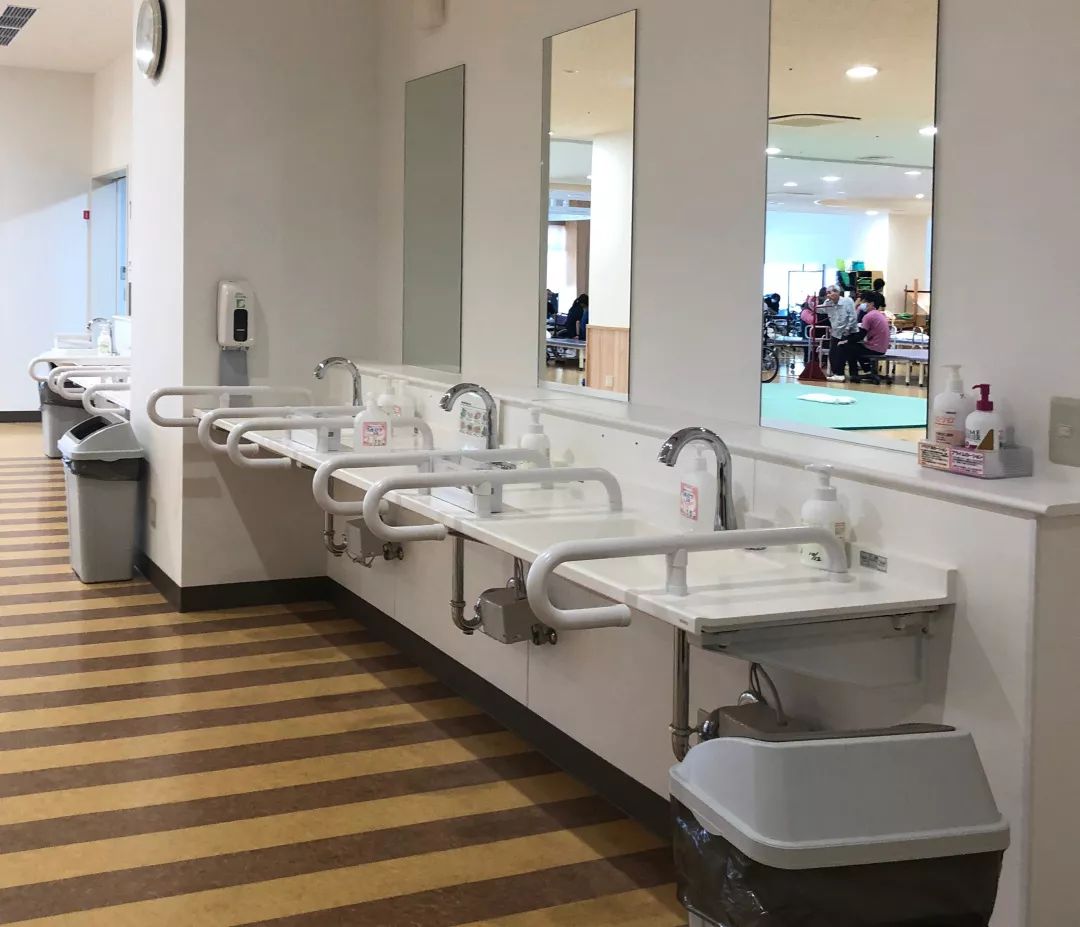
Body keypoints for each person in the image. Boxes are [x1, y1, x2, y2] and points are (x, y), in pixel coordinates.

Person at [843, 299, 891, 384]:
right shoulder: (879, 314)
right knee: (857, 346)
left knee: (849, 347)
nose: (862, 304)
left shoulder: (868, 316)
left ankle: (854, 375)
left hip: (874, 348)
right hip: (882, 348)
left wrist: (846, 341)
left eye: (864, 302)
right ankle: (867, 370)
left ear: (871, 303)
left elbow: (861, 335)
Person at [823, 286, 857, 381]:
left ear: (837, 292)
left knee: (840, 352)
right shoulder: (828, 303)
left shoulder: (847, 301)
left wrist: (847, 330)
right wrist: (811, 304)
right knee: (832, 353)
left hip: (849, 332)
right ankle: (837, 373)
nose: (829, 295)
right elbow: (820, 310)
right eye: (827, 293)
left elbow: (853, 316)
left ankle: (840, 374)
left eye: (830, 292)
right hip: (836, 332)